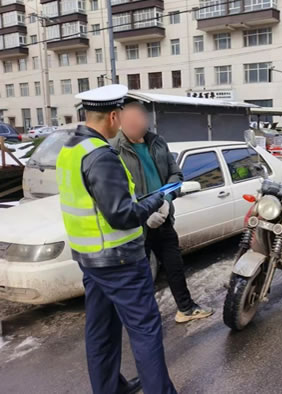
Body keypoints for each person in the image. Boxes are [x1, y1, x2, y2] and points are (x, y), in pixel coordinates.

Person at [56, 85, 176, 394]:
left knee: (102, 330)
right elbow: (122, 215)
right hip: (119, 260)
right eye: (120, 115)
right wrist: (156, 200)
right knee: (145, 330)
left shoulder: (71, 148)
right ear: (112, 116)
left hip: (90, 258)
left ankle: (109, 388)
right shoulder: (101, 155)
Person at [112, 102, 214, 323]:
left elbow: (176, 175)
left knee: (174, 266)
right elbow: (117, 190)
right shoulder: (114, 149)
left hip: (163, 216)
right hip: (138, 223)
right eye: (130, 120)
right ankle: (142, 320)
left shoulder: (157, 142)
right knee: (140, 274)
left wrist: (166, 201)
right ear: (120, 121)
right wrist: (144, 212)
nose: (136, 124)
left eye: (139, 118)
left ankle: (186, 309)